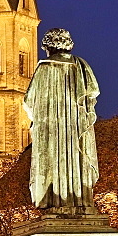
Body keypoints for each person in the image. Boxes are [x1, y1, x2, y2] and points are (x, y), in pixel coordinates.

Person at [23, 28, 99, 213]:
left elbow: (29, 101)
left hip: (51, 131)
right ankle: (80, 199)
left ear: (48, 45)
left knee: (50, 158)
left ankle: (53, 200)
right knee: (77, 156)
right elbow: (91, 94)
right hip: (75, 128)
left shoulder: (45, 68)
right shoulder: (81, 66)